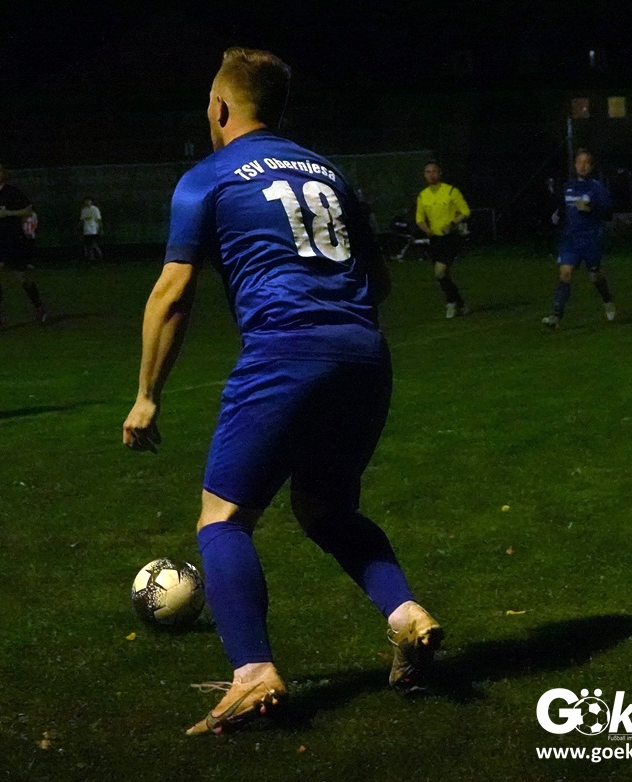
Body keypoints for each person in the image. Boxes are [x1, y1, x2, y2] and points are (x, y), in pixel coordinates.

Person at [122, 47, 442, 736]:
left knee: (222, 519)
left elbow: (172, 293)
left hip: (284, 352)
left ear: (219, 107)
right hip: (364, 354)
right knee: (325, 507)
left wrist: (147, 395)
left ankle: (253, 673)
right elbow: (381, 281)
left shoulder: (208, 177)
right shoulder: (330, 172)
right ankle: (406, 614)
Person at [542, 149, 615, 328]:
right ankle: (556, 316)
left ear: (591, 166)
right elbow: (562, 208)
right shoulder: (568, 187)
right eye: (579, 162)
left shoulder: (597, 187)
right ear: (575, 165)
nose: (583, 166)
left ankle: (607, 300)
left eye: (586, 163)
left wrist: (591, 209)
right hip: (571, 240)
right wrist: (556, 215)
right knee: (565, 273)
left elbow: (608, 214)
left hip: (591, 239)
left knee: (595, 276)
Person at [0, 162, 47, 328]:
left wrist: (8, 213)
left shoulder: (13, 192)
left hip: (13, 239)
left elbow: (28, 210)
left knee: (22, 277)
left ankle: (39, 306)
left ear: (4, 173)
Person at [415, 160, 471, 318]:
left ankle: (450, 303)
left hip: (450, 238)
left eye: (434, 171)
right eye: (428, 172)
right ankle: (460, 303)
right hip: (435, 239)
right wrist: (427, 230)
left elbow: (465, 211)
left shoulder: (451, 191)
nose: (431, 175)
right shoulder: (423, 195)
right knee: (442, 275)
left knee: (439, 273)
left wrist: (453, 223)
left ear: (440, 173)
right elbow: (419, 218)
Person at [79, 197, 103, 261]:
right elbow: (82, 220)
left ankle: (96, 256)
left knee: (92, 244)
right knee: (89, 244)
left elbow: (99, 219)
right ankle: (94, 256)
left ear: (91, 201)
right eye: (86, 201)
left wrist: (100, 229)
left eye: (88, 201)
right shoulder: (84, 210)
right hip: (86, 230)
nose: (87, 202)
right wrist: (79, 228)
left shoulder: (95, 209)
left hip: (94, 229)